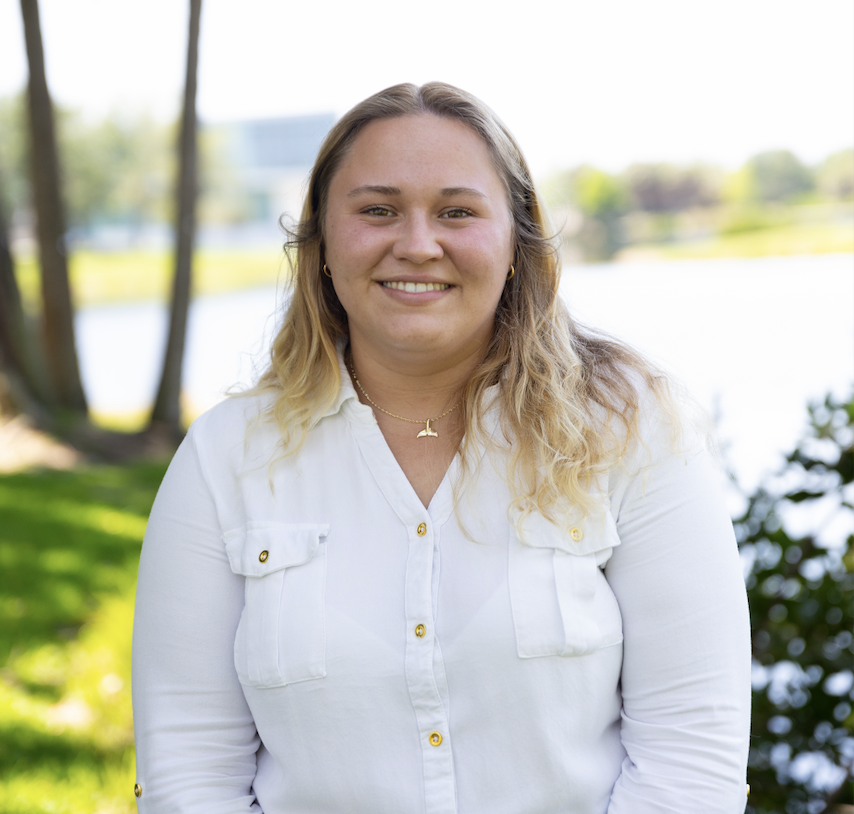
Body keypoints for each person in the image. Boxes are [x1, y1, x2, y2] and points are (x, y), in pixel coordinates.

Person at [131, 82, 752, 813]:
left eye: (457, 211)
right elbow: (188, 773)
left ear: (517, 242)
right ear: (322, 244)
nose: (418, 244)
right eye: (377, 210)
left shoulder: (633, 430)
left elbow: (691, 761)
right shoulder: (226, 458)